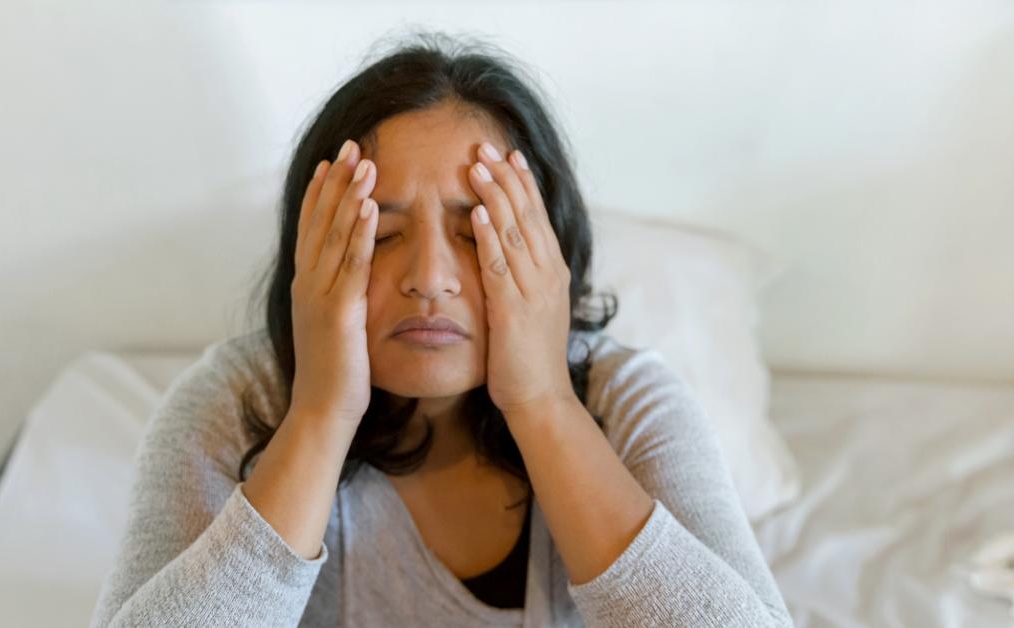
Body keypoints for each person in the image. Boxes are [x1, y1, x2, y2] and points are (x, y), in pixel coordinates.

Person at [90, 31, 793, 627]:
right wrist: (320, 414)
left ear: (548, 254)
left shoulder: (626, 402)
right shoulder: (234, 406)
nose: (430, 276)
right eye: (384, 234)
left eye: (474, 231)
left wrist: (544, 403)